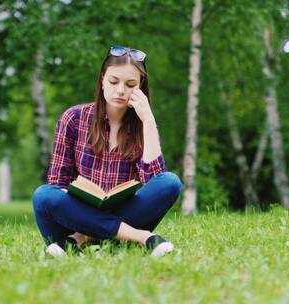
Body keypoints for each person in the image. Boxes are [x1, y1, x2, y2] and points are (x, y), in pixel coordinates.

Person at [32, 45, 182, 258]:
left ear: (140, 88)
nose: (120, 90)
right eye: (113, 81)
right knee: (44, 195)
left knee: (170, 182)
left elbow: (154, 182)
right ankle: (141, 238)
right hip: (73, 220)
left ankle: (81, 239)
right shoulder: (73, 119)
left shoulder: (141, 125)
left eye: (130, 84)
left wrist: (148, 120)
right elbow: (58, 183)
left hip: (93, 228)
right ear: (102, 79)